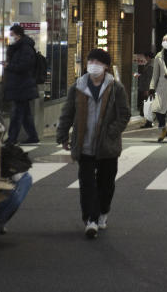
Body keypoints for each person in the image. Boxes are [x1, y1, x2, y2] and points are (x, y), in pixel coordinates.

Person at [56, 48, 130, 239]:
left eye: (98, 62)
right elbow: (67, 112)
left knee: (106, 183)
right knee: (87, 184)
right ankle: (90, 219)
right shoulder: (79, 86)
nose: (93, 65)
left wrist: (111, 133)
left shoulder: (115, 87)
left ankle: (103, 211)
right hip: (84, 144)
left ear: (106, 66)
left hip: (107, 147)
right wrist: (62, 134)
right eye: (91, 61)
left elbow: (124, 114)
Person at [3, 24, 40, 145]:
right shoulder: (18, 47)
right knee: (25, 114)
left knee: (17, 114)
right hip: (20, 85)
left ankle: (12, 138)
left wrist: (9, 66)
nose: (11, 37)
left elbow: (24, 66)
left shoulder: (25, 48)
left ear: (18, 35)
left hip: (22, 86)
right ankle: (33, 136)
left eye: (12, 35)